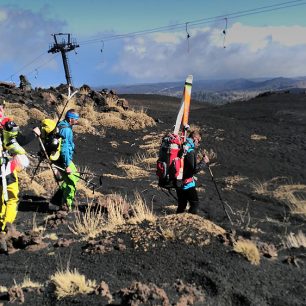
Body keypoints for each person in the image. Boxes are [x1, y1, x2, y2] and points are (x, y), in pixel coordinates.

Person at [0, 118, 30, 252]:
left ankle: (1, 226)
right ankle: (6, 228)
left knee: (1, 200)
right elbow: (23, 159)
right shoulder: (8, 140)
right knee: (11, 200)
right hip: (7, 173)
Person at [176, 130, 209, 214]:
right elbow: (193, 169)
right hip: (187, 183)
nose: (199, 143)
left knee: (182, 205)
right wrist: (203, 162)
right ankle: (190, 223)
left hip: (178, 181)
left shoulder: (183, 145)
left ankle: (177, 222)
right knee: (194, 204)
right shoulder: (190, 150)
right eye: (199, 141)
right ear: (195, 138)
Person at [53, 109, 80, 211]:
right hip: (63, 160)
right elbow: (64, 149)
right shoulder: (67, 130)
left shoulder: (61, 125)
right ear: (70, 119)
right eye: (76, 119)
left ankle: (59, 197)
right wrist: (67, 165)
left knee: (76, 175)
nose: (77, 121)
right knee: (71, 182)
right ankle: (65, 206)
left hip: (59, 158)